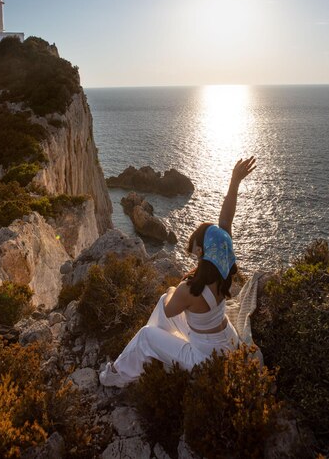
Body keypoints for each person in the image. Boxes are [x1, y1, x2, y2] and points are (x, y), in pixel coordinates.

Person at [99, 156, 256, 388]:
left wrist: (174, 288)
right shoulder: (223, 268)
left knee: (147, 331)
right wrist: (234, 182)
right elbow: (225, 219)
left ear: (201, 250)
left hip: (205, 359)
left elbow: (171, 309)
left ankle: (115, 375)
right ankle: (155, 350)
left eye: (196, 240)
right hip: (227, 342)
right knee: (164, 303)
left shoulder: (189, 289)